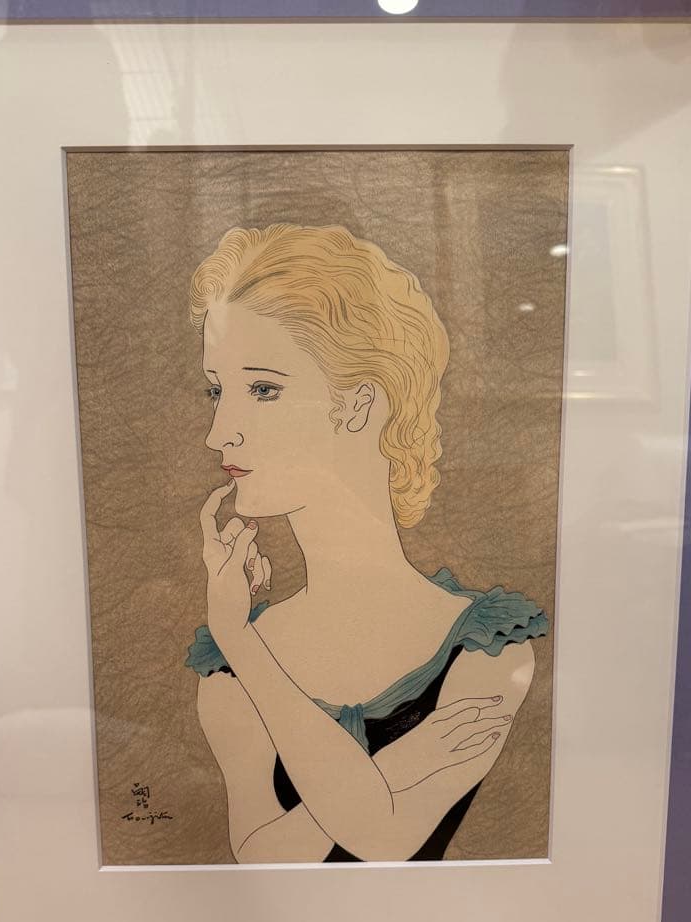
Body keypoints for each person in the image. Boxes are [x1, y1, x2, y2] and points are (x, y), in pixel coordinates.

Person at [185, 223, 548, 863]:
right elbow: (260, 858)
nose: (220, 433)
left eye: (262, 390)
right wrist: (408, 757)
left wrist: (241, 640)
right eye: (218, 391)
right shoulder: (230, 659)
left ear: (359, 404)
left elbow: (384, 840)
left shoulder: (490, 646)